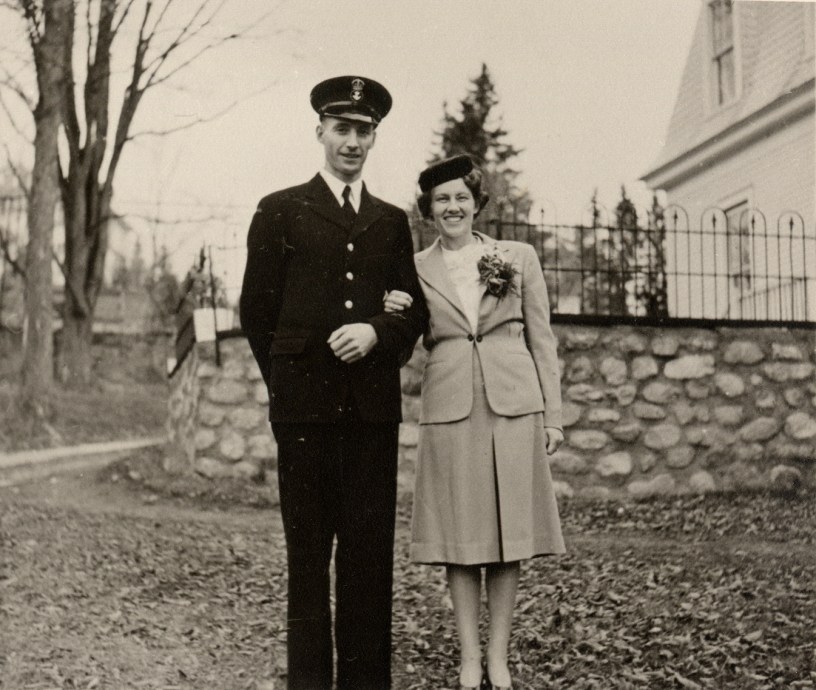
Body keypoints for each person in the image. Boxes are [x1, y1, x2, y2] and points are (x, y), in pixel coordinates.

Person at [239, 75, 428, 690]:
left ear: (375, 138)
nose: (352, 141)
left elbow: (413, 314)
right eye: (341, 128)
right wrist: (288, 388)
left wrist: (376, 330)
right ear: (319, 131)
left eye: (363, 131)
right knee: (307, 559)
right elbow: (256, 312)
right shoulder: (280, 209)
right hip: (304, 418)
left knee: (368, 560)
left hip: (371, 416)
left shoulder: (390, 222)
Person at [384, 155, 566, 690]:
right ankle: (468, 657)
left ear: (476, 203)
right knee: (460, 537)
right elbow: (404, 335)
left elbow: (542, 339)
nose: (452, 207)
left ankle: (498, 658)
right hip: (449, 407)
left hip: (513, 404)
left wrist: (553, 416)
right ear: (428, 209)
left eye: (461, 197)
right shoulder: (414, 267)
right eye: (441, 199)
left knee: (510, 534)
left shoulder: (517, 257)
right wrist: (390, 308)